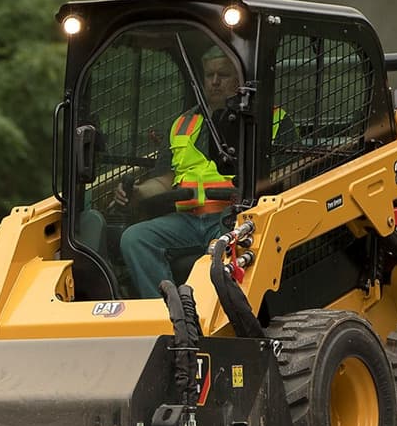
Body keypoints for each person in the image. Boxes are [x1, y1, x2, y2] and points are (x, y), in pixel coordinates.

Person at [114, 47, 290, 298]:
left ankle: (229, 308)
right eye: (209, 75)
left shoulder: (272, 120)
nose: (215, 82)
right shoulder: (183, 124)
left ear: (241, 79)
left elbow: (290, 174)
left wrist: (250, 193)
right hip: (187, 220)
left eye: (223, 75)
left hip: (238, 219)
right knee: (136, 238)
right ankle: (167, 309)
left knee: (232, 241)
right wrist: (137, 192)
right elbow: (165, 180)